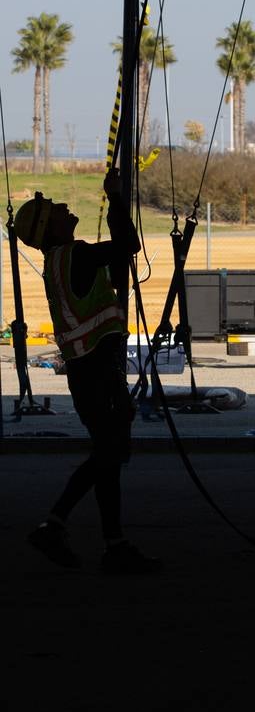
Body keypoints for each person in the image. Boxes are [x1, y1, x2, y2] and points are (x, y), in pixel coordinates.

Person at [14, 168, 161, 574]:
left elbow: (114, 273)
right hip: (97, 370)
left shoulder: (62, 261)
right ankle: (54, 523)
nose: (64, 208)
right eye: (55, 209)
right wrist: (115, 197)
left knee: (109, 458)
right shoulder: (73, 254)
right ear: (50, 227)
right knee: (110, 454)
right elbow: (128, 245)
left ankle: (114, 545)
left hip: (89, 371)